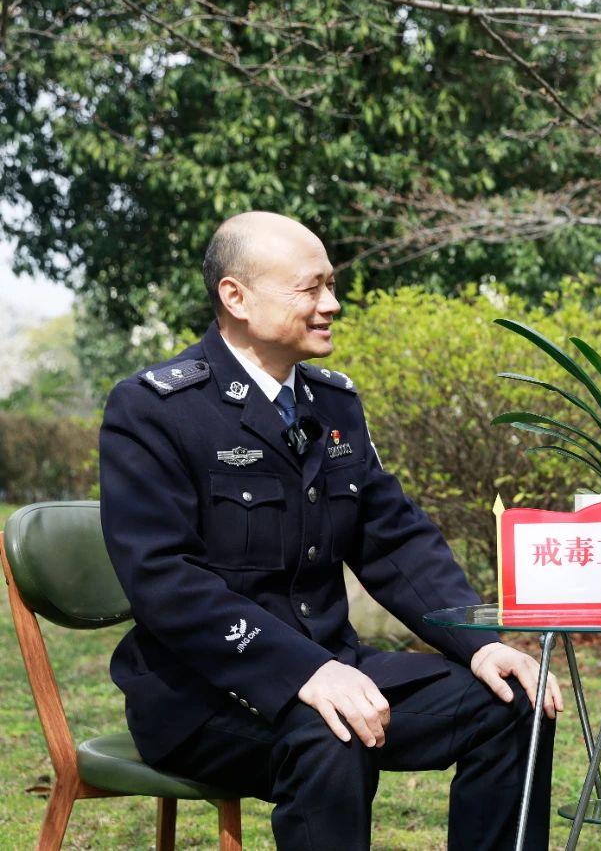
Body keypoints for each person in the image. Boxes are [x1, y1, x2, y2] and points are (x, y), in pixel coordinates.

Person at [99, 211, 564, 850]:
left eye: (331, 284)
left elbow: (393, 538)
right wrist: (301, 672)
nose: (332, 304)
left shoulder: (333, 401)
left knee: (511, 705)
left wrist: (477, 643)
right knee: (332, 732)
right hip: (201, 695)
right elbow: (163, 580)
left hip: (336, 668)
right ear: (236, 297)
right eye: (310, 288)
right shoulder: (155, 410)